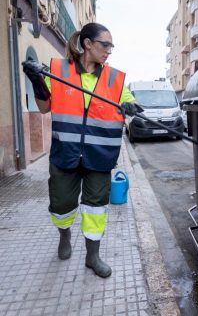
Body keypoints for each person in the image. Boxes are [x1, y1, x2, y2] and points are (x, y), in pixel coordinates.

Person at [22, 22, 143, 278]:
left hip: (100, 157)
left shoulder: (115, 78)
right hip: (65, 154)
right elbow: (44, 107)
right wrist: (36, 79)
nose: (110, 50)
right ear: (88, 44)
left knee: (95, 208)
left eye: (111, 45)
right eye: (105, 44)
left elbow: (129, 100)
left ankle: (92, 255)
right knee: (61, 205)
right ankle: (64, 236)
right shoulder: (59, 71)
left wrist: (131, 107)